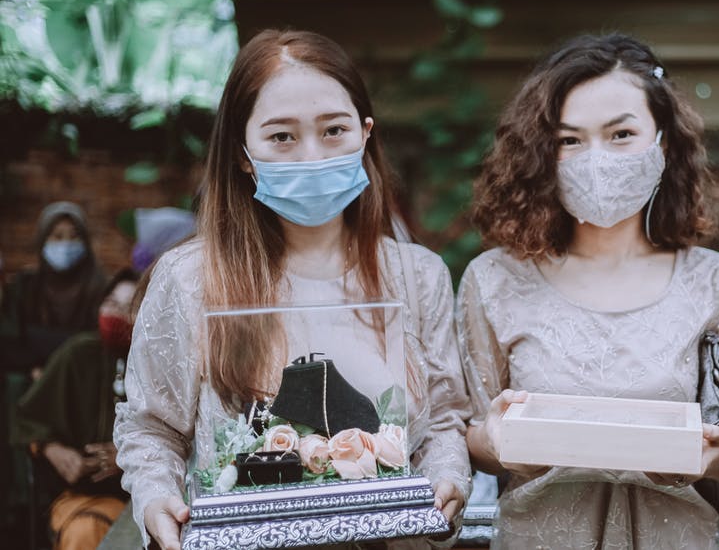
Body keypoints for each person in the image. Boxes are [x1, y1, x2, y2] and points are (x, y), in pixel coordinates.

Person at [112, 30, 472, 550]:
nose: (311, 156)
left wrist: (448, 479)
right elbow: (151, 429)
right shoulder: (189, 280)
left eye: (334, 130)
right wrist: (154, 499)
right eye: (282, 137)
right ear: (242, 153)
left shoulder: (419, 276)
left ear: (365, 133)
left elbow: (442, 420)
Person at [458, 33, 719, 549]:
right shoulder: (494, 280)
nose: (597, 159)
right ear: (542, 151)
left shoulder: (714, 281)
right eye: (570, 140)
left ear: (664, 142)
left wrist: (716, 460)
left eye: (621, 134)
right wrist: (499, 445)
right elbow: (472, 435)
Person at [15, 268, 139, 550]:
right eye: (111, 304)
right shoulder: (77, 353)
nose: (116, 314)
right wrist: (51, 449)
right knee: (86, 531)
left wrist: (133, 455)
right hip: (80, 496)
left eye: (129, 308)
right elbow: (28, 417)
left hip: (147, 496)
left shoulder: (158, 361)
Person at [2, 201, 110, 374]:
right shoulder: (24, 286)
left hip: (82, 380)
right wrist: (32, 367)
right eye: (57, 236)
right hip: (29, 381)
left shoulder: (101, 288)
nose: (66, 244)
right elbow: (9, 337)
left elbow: (100, 344)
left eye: (74, 236)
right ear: (43, 240)